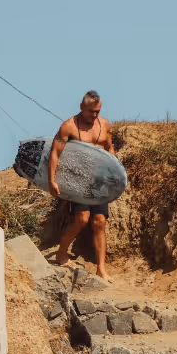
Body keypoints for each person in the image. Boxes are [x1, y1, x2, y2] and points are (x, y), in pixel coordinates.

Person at [50, 90, 115, 282]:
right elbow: (55, 153)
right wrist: (53, 180)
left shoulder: (105, 125)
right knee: (82, 218)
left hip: (99, 180)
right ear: (81, 107)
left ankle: (101, 268)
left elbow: (109, 148)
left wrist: (114, 168)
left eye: (97, 111)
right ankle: (61, 253)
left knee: (100, 222)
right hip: (78, 179)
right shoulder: (69, 127)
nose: (94, 115)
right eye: (90, 112)